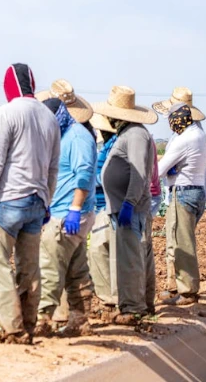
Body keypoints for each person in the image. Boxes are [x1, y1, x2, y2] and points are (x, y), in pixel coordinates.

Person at [0, 63, 61, 344]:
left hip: (10, 200)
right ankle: (29, 322)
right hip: (37, 202)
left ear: (9, 86)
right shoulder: (50, 118)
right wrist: (46, 200)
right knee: (29, 266)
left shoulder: (6, 112)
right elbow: (53, 168)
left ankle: (12, 327)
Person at [92, 86, 158, 324]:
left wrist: (129, 203)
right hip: (125, 207)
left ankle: (132, 309)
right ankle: (143, 305)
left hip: (131, 208)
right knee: (136, 256)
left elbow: (140, 173)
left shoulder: (136, 135)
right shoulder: (129, 133)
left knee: (130, 259)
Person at [34, 91, 96, 337]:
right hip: (65, 213)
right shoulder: (65, 135)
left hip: (68, 215)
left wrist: (74, 209)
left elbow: (84, 173)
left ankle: (40, 322)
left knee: (48, 267)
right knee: (76, 270)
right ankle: (79, 320)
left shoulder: (77, 137)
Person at [154, 104, 206, 306]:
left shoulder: (183, 140)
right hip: (198, 191)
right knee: (181, 239)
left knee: (181, 242)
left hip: (183, 193)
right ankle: (177, 286)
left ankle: (187, 292)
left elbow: (159, 170)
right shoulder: (200, 135)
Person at [87, 113, 120, 310]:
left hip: (107, 205)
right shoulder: (109, 146)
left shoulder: (115, 146)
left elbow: (108, 176)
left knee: (99, 251)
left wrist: (89, 179)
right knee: (101, 251)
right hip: (101, 205)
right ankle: (110, 296)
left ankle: (109, 298)